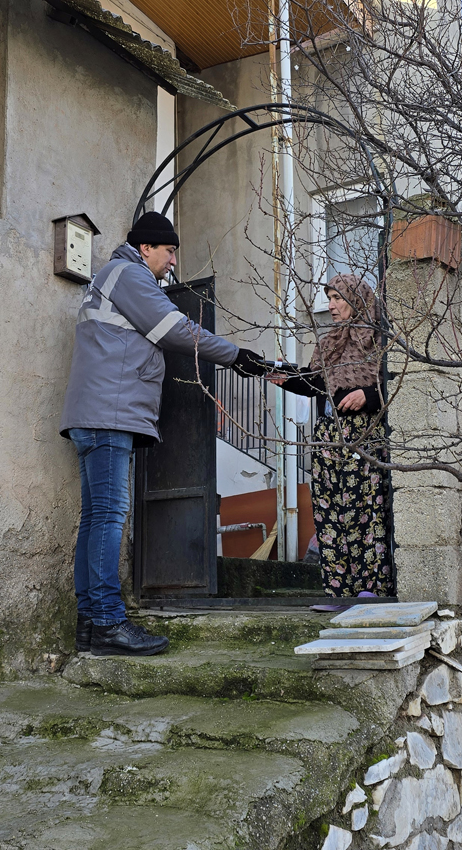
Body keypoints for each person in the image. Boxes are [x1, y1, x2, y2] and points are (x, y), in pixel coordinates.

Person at [60, 211, 269, 656]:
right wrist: (235, 356)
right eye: (169, 250)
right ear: (145, 248)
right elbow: (178, 330)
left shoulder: (113, 277)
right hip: (107, 415)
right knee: (110, 516)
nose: (174, 260)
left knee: (97, 518)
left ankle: (90, 626)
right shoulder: (127, 274)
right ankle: (108, 622)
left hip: (97, 415)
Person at [269, 274, 393, 598]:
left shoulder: (378, 342)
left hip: (362, 437)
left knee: (366, 511)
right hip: (327, 438)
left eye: (338, 297)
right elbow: (313, 384)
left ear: (357, 299)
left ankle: (371, 588)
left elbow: (392, 386)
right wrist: (286, 376)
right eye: (329, 297)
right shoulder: (329, 344)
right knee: (329, 513)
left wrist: (368, 395)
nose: (331, 305)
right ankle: (338, 592)